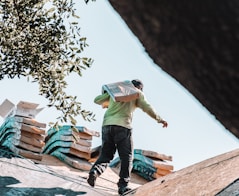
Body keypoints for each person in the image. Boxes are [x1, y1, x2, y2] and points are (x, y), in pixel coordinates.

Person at [87, 79, 168, 195]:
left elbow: (97, 100)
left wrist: (107, 94)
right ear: (139, 88)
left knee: (106, 155)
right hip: (123, 127)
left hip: (107, 126)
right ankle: (123, 186)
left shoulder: (117, 92)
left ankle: (95, 172)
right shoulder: (137, 94)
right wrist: (160, 119)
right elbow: (147, 107)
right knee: (127, 157)